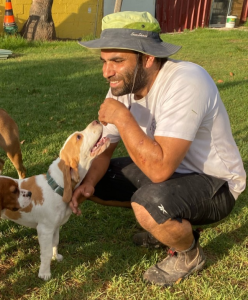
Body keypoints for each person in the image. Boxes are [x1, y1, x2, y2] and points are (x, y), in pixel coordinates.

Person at [72, 11, 246, 287]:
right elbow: (104, 151)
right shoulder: (124, 85)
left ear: (148, 58)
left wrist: (122, 117)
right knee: (85, 176)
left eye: (117, 61)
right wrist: (88, 184)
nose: (107, 72)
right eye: (104, 61)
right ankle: (163, 226)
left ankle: (188, 254)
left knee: (148, 203)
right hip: (170, 174)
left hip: (217, 184)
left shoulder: (187, 81)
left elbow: (159, 170)